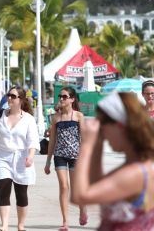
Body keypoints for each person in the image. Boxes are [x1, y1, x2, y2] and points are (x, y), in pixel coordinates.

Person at [71, 92, 154, 230]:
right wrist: (97, 146)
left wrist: (86, 145)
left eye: (103, 124)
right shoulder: (137, 166)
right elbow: (97, 187)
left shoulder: (136, 173)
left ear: (120, 126)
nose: (102, 132)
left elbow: (80, 196)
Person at [0, 86, 39, 231]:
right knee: (4, 188)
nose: (9, 98)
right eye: (9, 95)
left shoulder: (29, 119)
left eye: (13, 96)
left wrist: (31, 157)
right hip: (2, 157)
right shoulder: (0, 115)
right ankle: (5, 225)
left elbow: (33, 141)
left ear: (20, 100)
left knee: (21, 193)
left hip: (22, 158)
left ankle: (21, 225)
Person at [44, 86, 87, 230]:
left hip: (76, 156)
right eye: (60, 96)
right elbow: (52, 141)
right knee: (63, 186)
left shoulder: (78, 116)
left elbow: (85, 139)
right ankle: (65, 221)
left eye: (64, 96)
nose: (61, 99)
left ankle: (82, 209)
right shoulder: (55, 118)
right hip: (60, 155)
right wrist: (48, 161)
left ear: (72, 99)